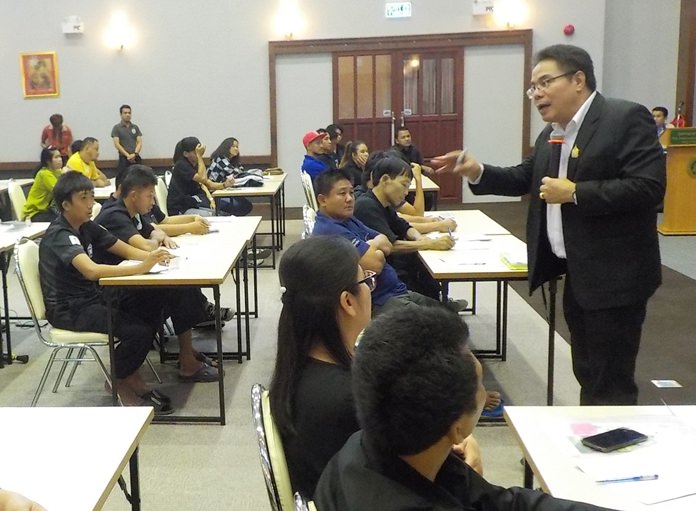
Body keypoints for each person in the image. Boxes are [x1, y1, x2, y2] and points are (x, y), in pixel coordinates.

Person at [433, 44, 666, 406]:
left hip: (617, 276)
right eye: (533, 87)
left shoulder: (623, 118)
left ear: (578, 80)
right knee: (588, 369)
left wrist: (576, 193)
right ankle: (596, 431)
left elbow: (649, 187)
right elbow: (527, 177)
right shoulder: (553, 132)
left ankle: (614, 442)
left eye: (545, 82)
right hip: (577, 273)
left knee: (611, 378)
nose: (537, 93)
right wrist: (477, 171)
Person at [315, 306, 613, 510]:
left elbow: (503, 503)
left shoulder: (367, 446)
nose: (486, 393)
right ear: (457, 427)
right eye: (481, 385)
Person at [269, 235, 482, 497]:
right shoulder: (349, 400)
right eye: (367, 281)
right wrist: (455, 437)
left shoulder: (299, 367)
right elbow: (416, 481)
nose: (371, 288)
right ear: (347, 301)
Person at [39, 171, 174, 414]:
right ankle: (118, 379)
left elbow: (124, 249)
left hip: (93, 297)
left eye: (92, 197)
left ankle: (129, 374)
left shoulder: (88, 226)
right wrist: (142, 267)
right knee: (138, 330)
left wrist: (155, 257)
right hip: (69, 308)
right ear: (66, 205)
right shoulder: (60, 234)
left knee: (154, 299)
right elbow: (91, 271)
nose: (91, 204)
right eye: (84, 198)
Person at [94, 165, 220, 382]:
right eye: (150, 196)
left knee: (183, 286)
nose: (153, 202)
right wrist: (156, 239)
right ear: (133, 195)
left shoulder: (131, 211)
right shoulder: (113, 214)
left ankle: (187, 353)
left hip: (133, 279)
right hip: (114, 290)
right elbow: (147, 246)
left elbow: (154, 229)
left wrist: (157, 235)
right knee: (180, 290)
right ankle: (187, 360)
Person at [312, 168, 444, 315]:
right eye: (342, 193)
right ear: (323, 200)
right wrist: (375, 245)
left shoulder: (347, 218)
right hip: (380, 302)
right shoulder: (329, 231)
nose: (349, 198)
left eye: (351, 192)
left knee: (445, 311)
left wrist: (371, 246)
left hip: (395, 291)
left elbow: (386, 242)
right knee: (442, 325)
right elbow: (376, 263)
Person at [353, 156, 457, 303]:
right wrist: (429, 244)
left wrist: (420, 238)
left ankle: (441, 302)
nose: (406, 192)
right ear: (385, 180)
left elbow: (404, 226)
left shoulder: (384, 204)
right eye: (404, 185)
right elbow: (391, 245)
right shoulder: (366, 205)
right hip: (386, 280)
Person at [168, 137, 230, 216]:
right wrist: (200, 156)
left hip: (192, 204)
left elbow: (208, 183)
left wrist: (224, 184)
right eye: (195, 153)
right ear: (185, 154)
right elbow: (203, 178)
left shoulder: (194, 165)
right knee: (212, 216)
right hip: (180, 209)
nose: (198, 156)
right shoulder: (181, 165)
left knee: (221, 213)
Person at [207, 137, 254, 216]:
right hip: (213, 194)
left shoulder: (231, 160)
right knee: (240, 206)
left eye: (237, 147)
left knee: (247, 205)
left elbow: (241, 171)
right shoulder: (220, 158)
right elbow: (235, 172)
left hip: (223, 191)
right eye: (233, 146)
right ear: (226, 147)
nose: (236, 149)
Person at [22, 147, 63, 222]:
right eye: (56, 157)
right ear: (48, 161)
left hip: (45, 210)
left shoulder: (57, 171)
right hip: (34, 213)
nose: (60, 159)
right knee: (64, 221)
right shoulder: (44, 174)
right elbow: (60, 191)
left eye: (60, 156)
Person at [111, 104, 143, 172]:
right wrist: (128, 155)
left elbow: (139, 142)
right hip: (124, 158)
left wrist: (135, 154)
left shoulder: (135, 127)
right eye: (125, 113)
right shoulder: (116, 128)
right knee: (123, 177)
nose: (127, 115)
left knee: (140, 176)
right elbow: (117, 144)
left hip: (135, 157)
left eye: (129, 113)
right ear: (121, 114)